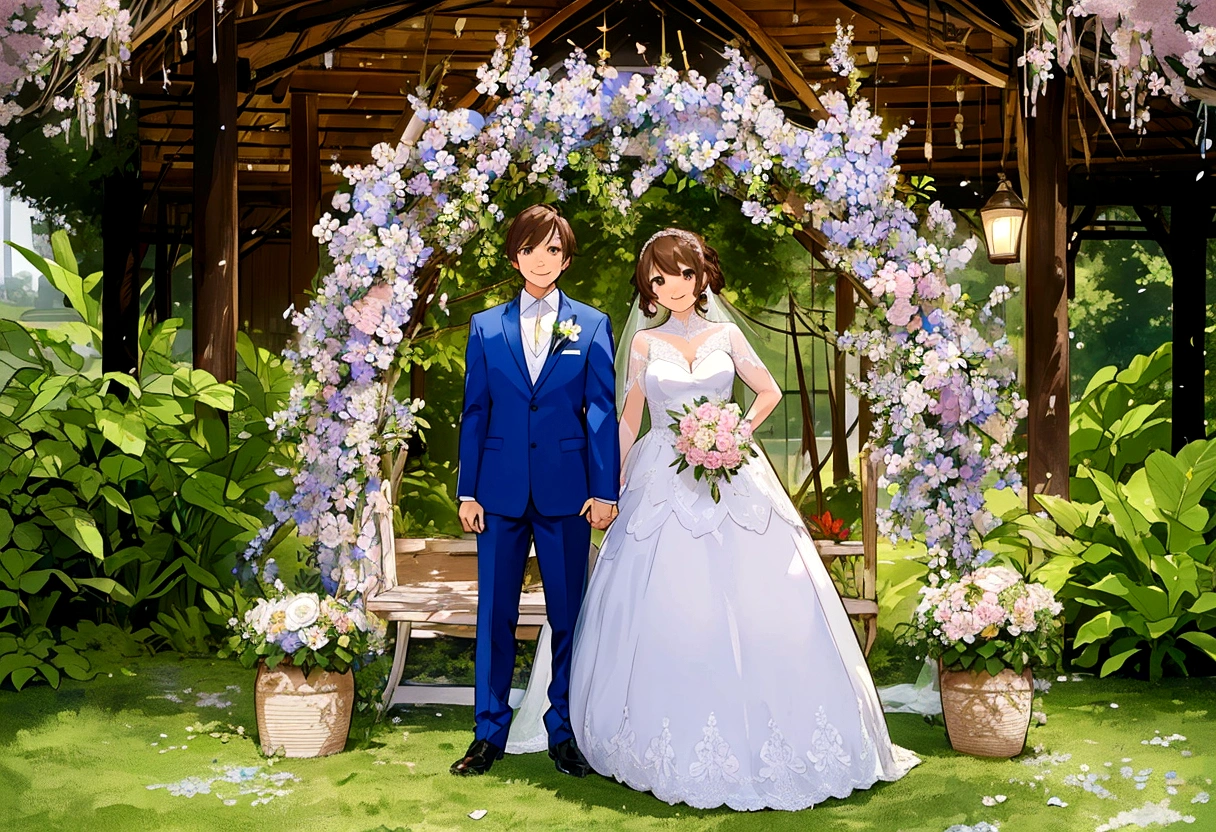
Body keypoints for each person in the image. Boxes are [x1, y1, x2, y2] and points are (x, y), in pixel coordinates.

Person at [567, 228, 920, 810]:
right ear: (649, 288)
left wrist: (734, 430)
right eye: (659, 278)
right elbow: (629, 420)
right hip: (662, 473)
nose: (672, 286)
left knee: (763, 590)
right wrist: (610, 483)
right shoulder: (643, 346)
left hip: (731, 467)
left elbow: (769, 391)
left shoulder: (726, 334)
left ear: (701, 275)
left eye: (682, 273)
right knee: (666, 598)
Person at [450, 204, 620, 778]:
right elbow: (475, 412)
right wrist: (466, 491)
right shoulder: (485, 327)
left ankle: (565, 733)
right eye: (530, 248)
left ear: (566, 258)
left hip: (568, 493)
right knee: (493, 616)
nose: (540, 259)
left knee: (568, 616)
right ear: (514, 255)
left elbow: (600, 413)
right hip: (496, 494)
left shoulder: (591, 325)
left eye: (552, 249)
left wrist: (605, 491)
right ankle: (486, 734)